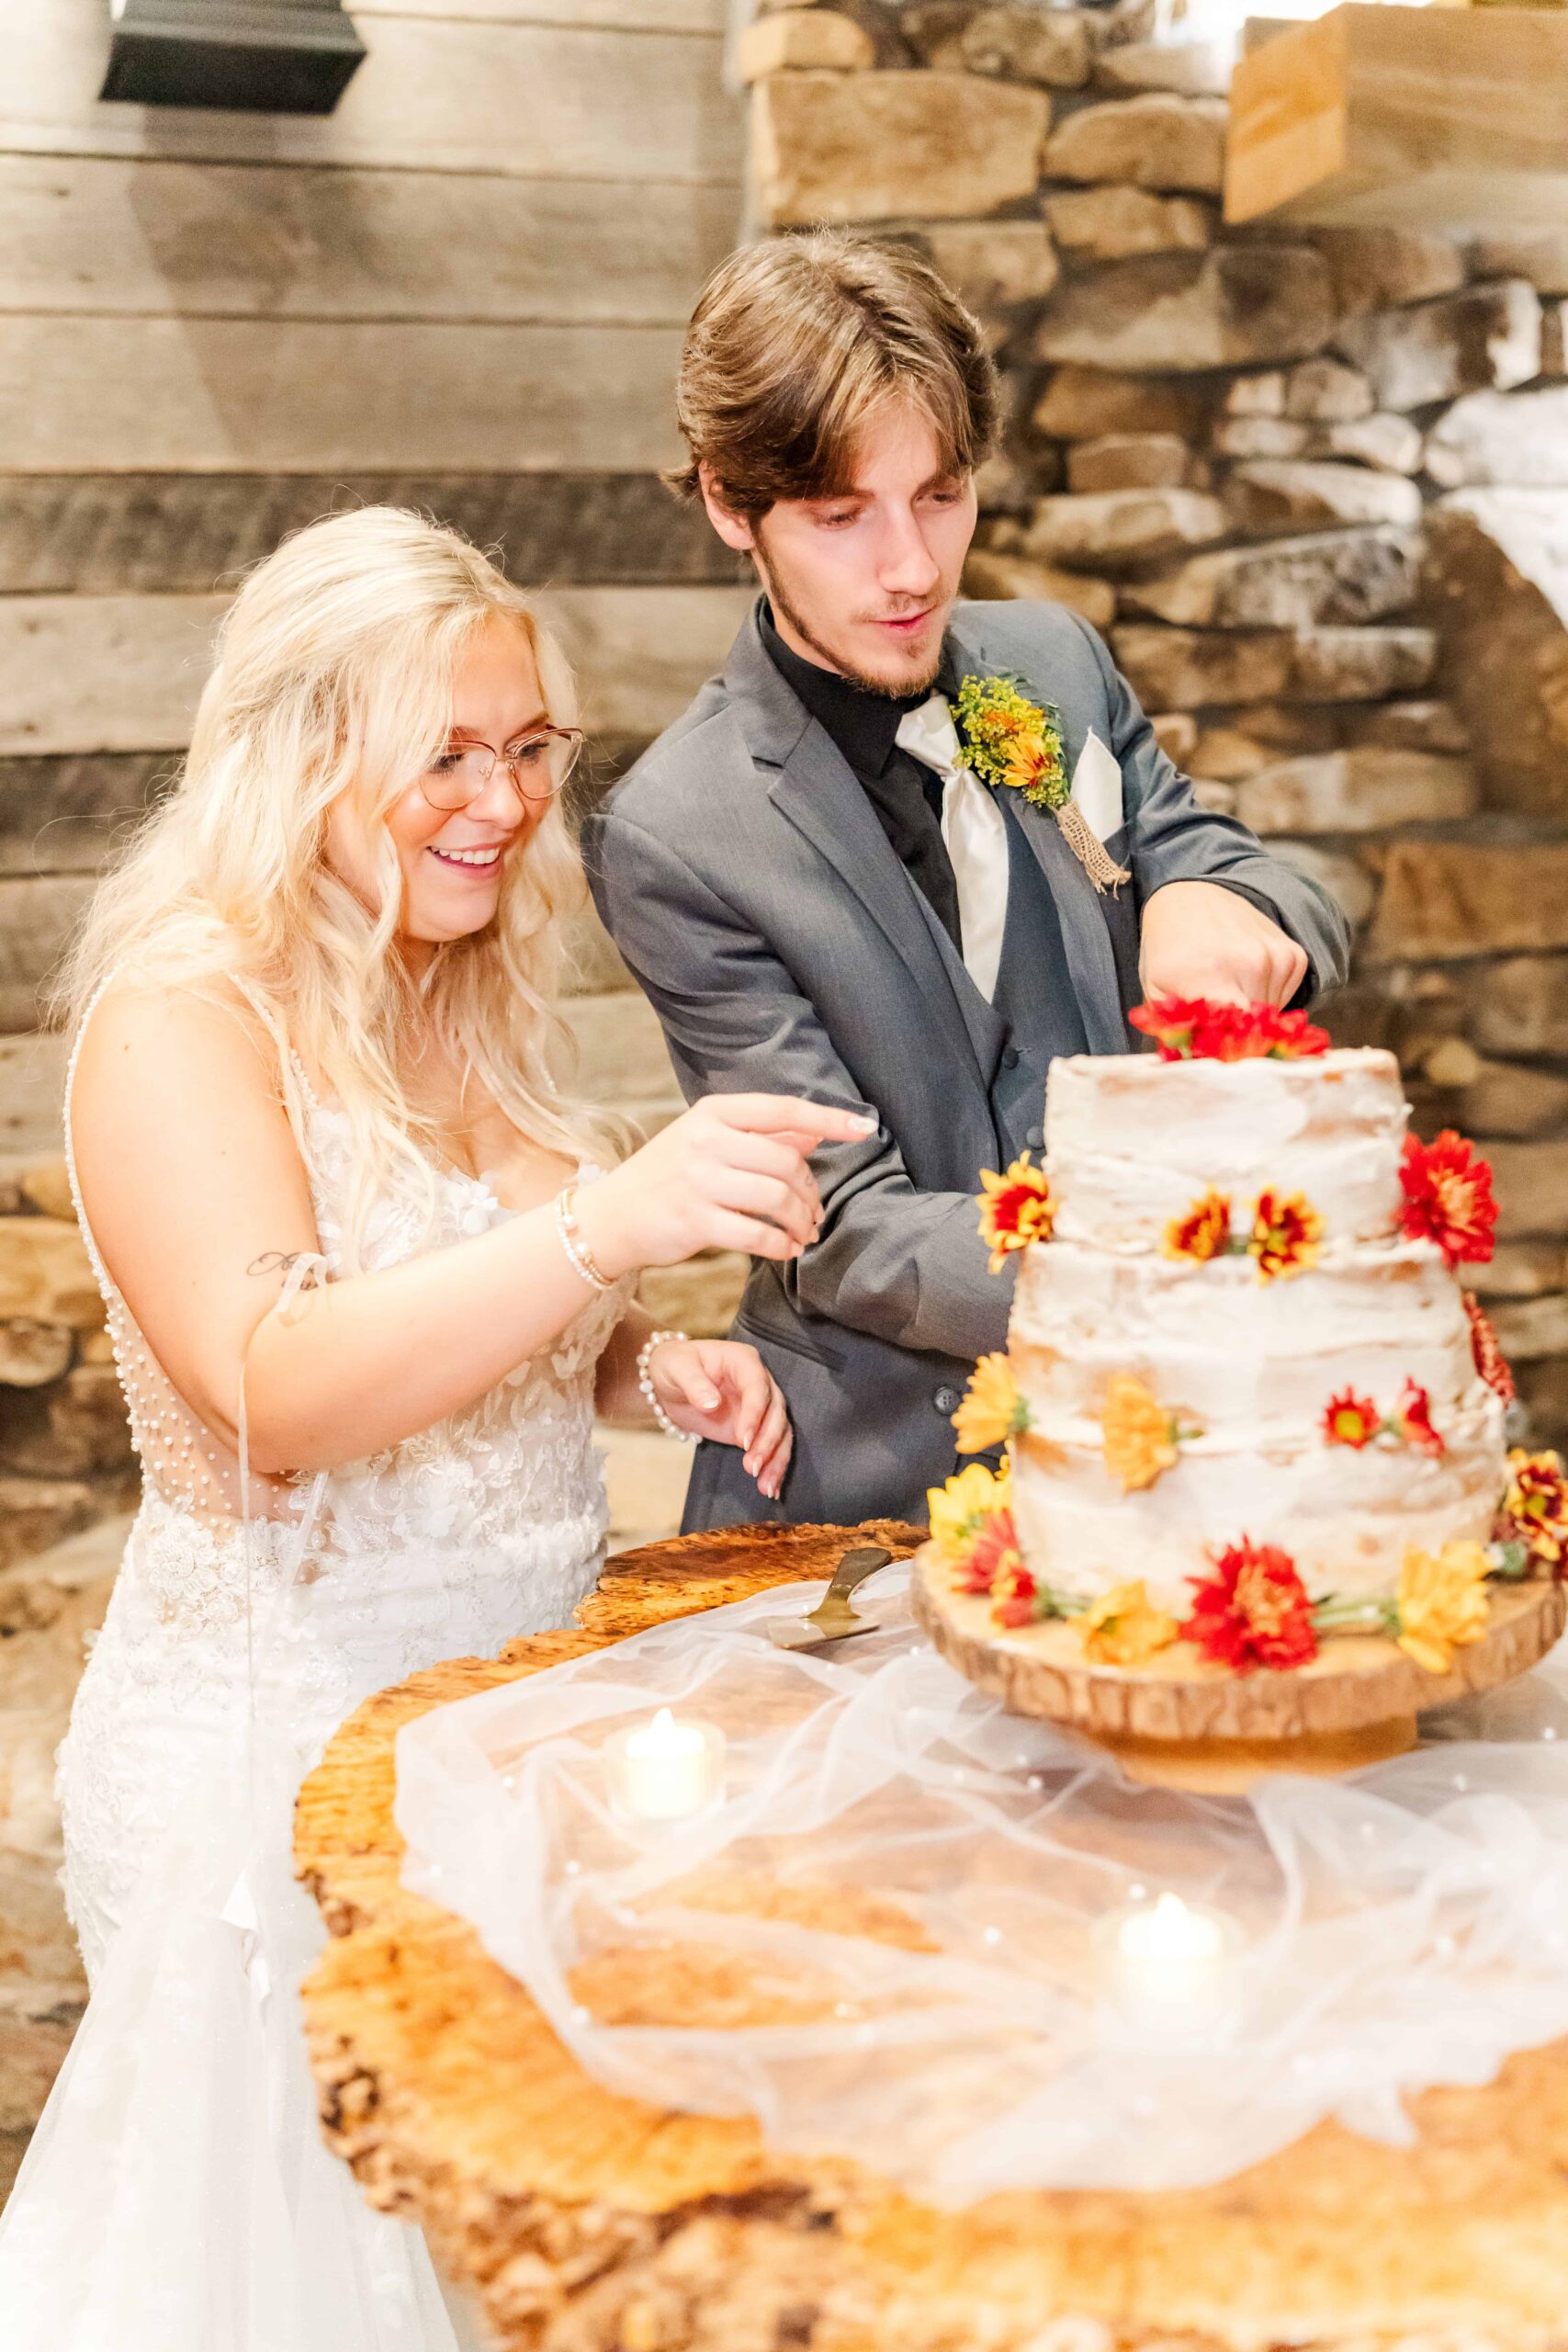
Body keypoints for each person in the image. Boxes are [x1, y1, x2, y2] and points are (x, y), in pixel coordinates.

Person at [0, 505, 870, 2348]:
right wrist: (604, 1221)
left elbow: (490, 1315)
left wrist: (643, 1363)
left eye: (529, 747)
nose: (500, 797)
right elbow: (280, 1387)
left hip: (497, 1741)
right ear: (304, 750)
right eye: (446, 753)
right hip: (275, 1772)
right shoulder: (180, 1016)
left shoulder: (447, 982)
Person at [585, 230, 1352, 1535]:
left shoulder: (1051, 662)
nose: (912, 569)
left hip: (1165, 1465)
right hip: (868, 1483)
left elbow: (1218, 858)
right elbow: (843, 1226)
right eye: (843, 517)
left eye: (941, 496)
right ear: (730, 504)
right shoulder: (678, 829)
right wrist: (1150, 1271)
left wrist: (1227, 904)